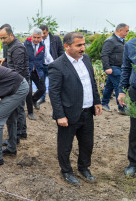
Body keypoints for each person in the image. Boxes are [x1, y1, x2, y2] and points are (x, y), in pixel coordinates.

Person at [49, 32, 102, 185]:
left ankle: (84, 168)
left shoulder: (86, 59)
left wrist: (97, 101)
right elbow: (54, 93)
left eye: (84, 44)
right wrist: (59, 115)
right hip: (69, 113)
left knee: (87, 143)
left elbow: (92, 82)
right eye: (79, 45)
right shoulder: (57, 65)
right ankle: (66, 171)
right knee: (65, 145)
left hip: (87, 112)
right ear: (67, 46)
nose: (83, 48)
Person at [0, 25, 31, 143]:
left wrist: (10, 85)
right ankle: (21, 132)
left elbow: (19, 70)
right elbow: (15, 61)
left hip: (19, 83)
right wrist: (6, 60)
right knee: (19, 108)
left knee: (18, 109)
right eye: (1, 38)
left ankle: (18, 134)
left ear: (11, 35)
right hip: (17, 82)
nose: (3, 41)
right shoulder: (12, 46)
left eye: (4, 38)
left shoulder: (17, 48)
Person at [118, 33, 136, 177]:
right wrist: (122, 91)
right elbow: (126, 68)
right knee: (135, 129)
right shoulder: (130, 45)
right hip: (135, 92)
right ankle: (133, 162)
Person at [101, 23, 129, 114]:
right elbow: (104, 54)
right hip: (113, 67)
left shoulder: (121, 41)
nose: (127, 33)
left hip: (120, 67)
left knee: (109, 86)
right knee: (119, 86)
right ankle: (122, 108)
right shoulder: (110, 41)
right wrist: (107, 67)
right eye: (126, 31)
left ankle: (104, 103)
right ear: (120, 30)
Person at [37, 25, 64, 106]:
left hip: (53, 65)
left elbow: (61, 52)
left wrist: (60, 63)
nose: (43, 35)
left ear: (48, 31)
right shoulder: (38, 40)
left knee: (55, 83)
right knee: (41, 83)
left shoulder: (56, 39)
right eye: (41, 33)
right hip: (42, 65)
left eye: (44, 33)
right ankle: (42, 98)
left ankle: (56, 99)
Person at [24, 28, 46, 111]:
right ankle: (30, 111)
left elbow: (47, 58)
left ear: (41, 37)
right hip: (27, 71)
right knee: (28, 93)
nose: (36, 39)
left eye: (38, 38)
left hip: (38, 71)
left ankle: (34, 100)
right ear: (31, 36)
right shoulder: (25, 44)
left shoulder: (43, 46)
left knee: (42, 89)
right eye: (34, 37)